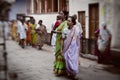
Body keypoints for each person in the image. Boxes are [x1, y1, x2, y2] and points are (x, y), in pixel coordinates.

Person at [53, 10, 69, 76]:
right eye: (60, 13)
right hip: (58, 40)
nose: (60, 14)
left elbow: (64, 32)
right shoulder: (60, 22)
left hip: (61, 41)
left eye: (61, 13)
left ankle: (61, 70)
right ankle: (57, 69)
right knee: (57, 55)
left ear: (65, 15)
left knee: (60, 55)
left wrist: (56, 32)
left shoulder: (65, 23)